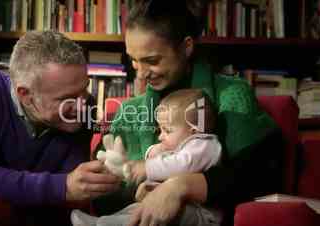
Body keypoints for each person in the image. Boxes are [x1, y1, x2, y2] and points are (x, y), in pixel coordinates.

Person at [93, 0, 285, 225]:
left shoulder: (232, 96)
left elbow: (260, 176)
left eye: (152, 61)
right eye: (134, 61)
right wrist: (137, 193)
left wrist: (181, 187)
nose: (142, 74)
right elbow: (100, 198)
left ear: (186, 46)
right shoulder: (129, 112)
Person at [0, 30, 121, 225]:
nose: (82, 105)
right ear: (25, 95)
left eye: (84, 89)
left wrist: (102, 181)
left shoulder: (83, 107)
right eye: (67, 98)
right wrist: (62, 187)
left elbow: (67, 196)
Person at [71, 89, 223, 226]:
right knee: (137, 209)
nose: (161, 136)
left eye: (167, 130)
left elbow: (182, 164)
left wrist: (146, 168)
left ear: (193, 130)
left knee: (147, 214)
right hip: (182, 206)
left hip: (201, 215)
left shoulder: (204, 144)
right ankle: (101, 222)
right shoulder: (183, 147)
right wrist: (153, 152)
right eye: (160, 129)